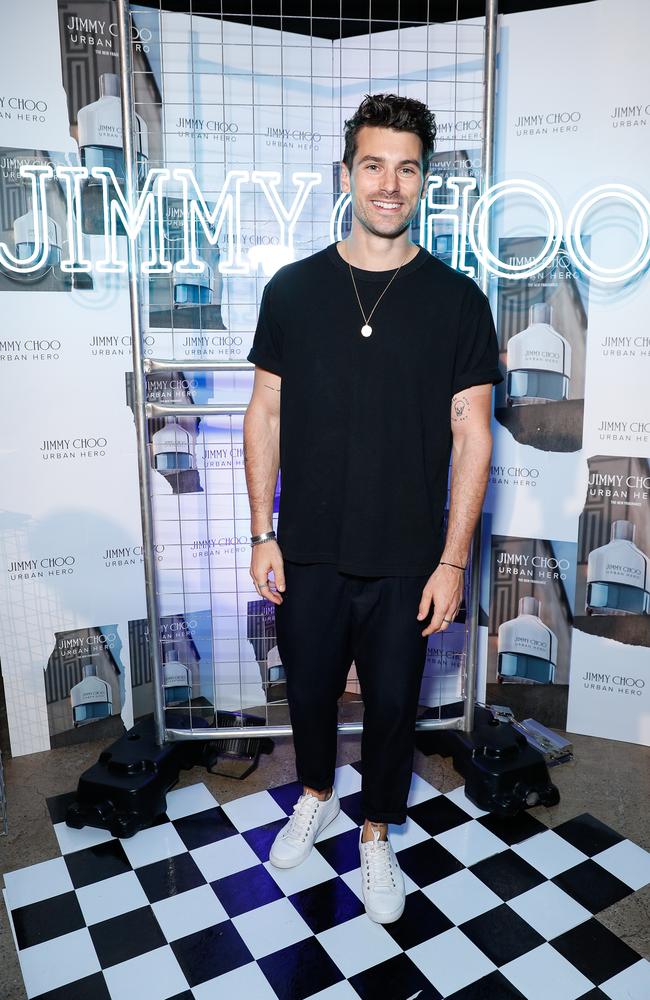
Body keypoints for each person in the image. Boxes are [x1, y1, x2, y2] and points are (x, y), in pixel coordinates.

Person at [243, 93, 502, 924]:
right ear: (347, 173)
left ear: (425, 179)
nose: (389, 184)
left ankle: (377, 832)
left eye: (407, 167)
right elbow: (266, 412)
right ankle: (314, 793)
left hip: (407, 557)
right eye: (373, 164)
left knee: (393, 707)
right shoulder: (291, 290)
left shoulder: (458, 300)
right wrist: (260, 532)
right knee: (311, 693)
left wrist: (454, 558)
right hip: (309, 549)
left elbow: (473, 435)